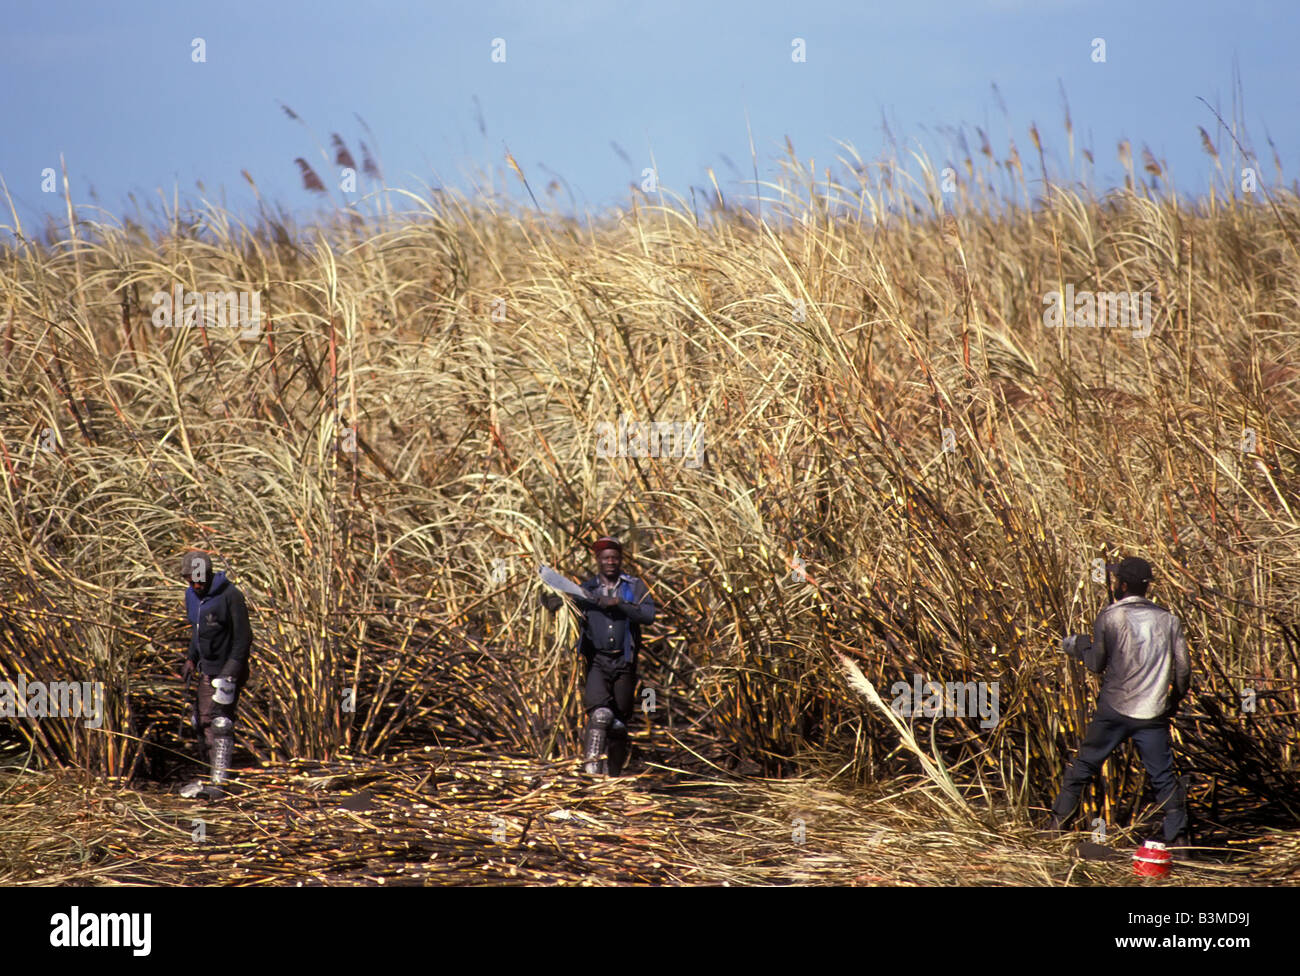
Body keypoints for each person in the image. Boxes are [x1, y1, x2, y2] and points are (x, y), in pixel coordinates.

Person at [1048, 556, 1192, 848]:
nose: (1114, 584)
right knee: (1163, 777)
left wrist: (1079, 645)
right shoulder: (1169, 620)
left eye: (1116, 580)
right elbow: (1183, 670)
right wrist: (1173, 701)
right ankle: (1181, 844)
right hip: (1152, 713)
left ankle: (1054, 829)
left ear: (1123, 585)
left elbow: (1095, 664)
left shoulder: (1110, 616)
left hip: (1113, 710)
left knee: (1083, 766)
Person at [540, 537, 655, 775]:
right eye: (605, 558)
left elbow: (648, 615)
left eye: (614, 557)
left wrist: (618, 603)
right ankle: (591, 774)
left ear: (620, 559)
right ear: (598, 561)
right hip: (597, 662)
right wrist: (549, 598)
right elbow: (563, 607)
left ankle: (613, 776)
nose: (610, 562)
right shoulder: (586, 590)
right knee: (600, 715)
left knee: (620, 724)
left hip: (625, 662)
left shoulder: (634, 587)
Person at [179, 551, 253, 797]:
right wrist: (191, 658)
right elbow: (197, 631)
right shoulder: (192, 596)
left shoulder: (230, 596)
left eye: (201, 579)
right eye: (192, 581)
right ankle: (210, 776)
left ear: (210, 575)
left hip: (227, 669)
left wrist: (230, 674)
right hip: (206, 669)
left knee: (221, 723)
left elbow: (243, 639)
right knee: (202, 721)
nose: (198, 585)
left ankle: (221, 782)